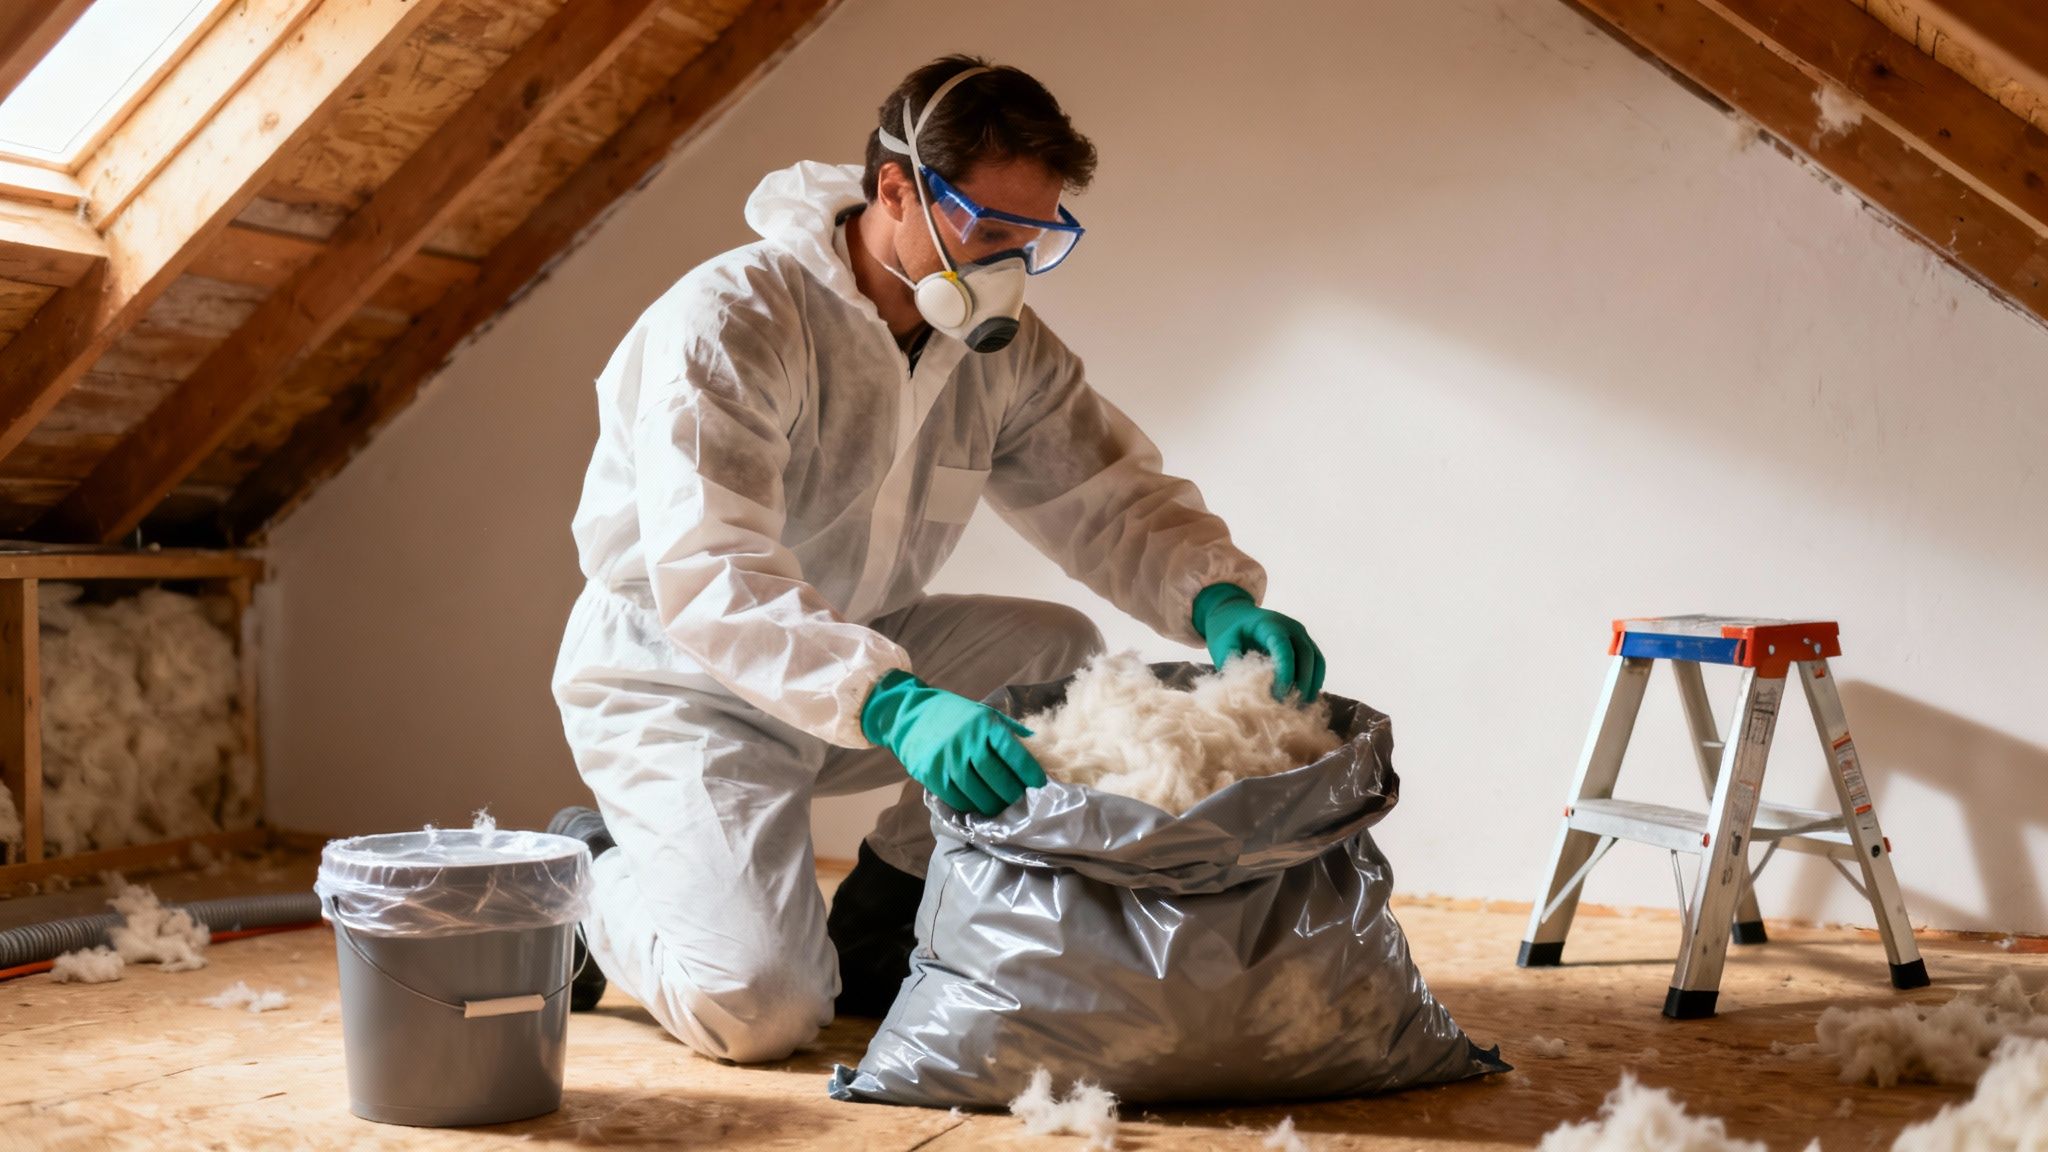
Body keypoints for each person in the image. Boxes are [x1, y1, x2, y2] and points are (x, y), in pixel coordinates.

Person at [549, 55, 1325, 1064]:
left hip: (855, 653)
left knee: (1055, 653)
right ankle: (583, 872)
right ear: (893, 190)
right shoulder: (734, 321)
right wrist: (895, 704)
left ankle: (885, 915)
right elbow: (714, 573)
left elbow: (1102, 494)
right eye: (988, 229)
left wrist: (1215, 597)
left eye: (1035, 237)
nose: (1009, 262)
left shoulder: (994, 347)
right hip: (682, 679)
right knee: (760, 1009)